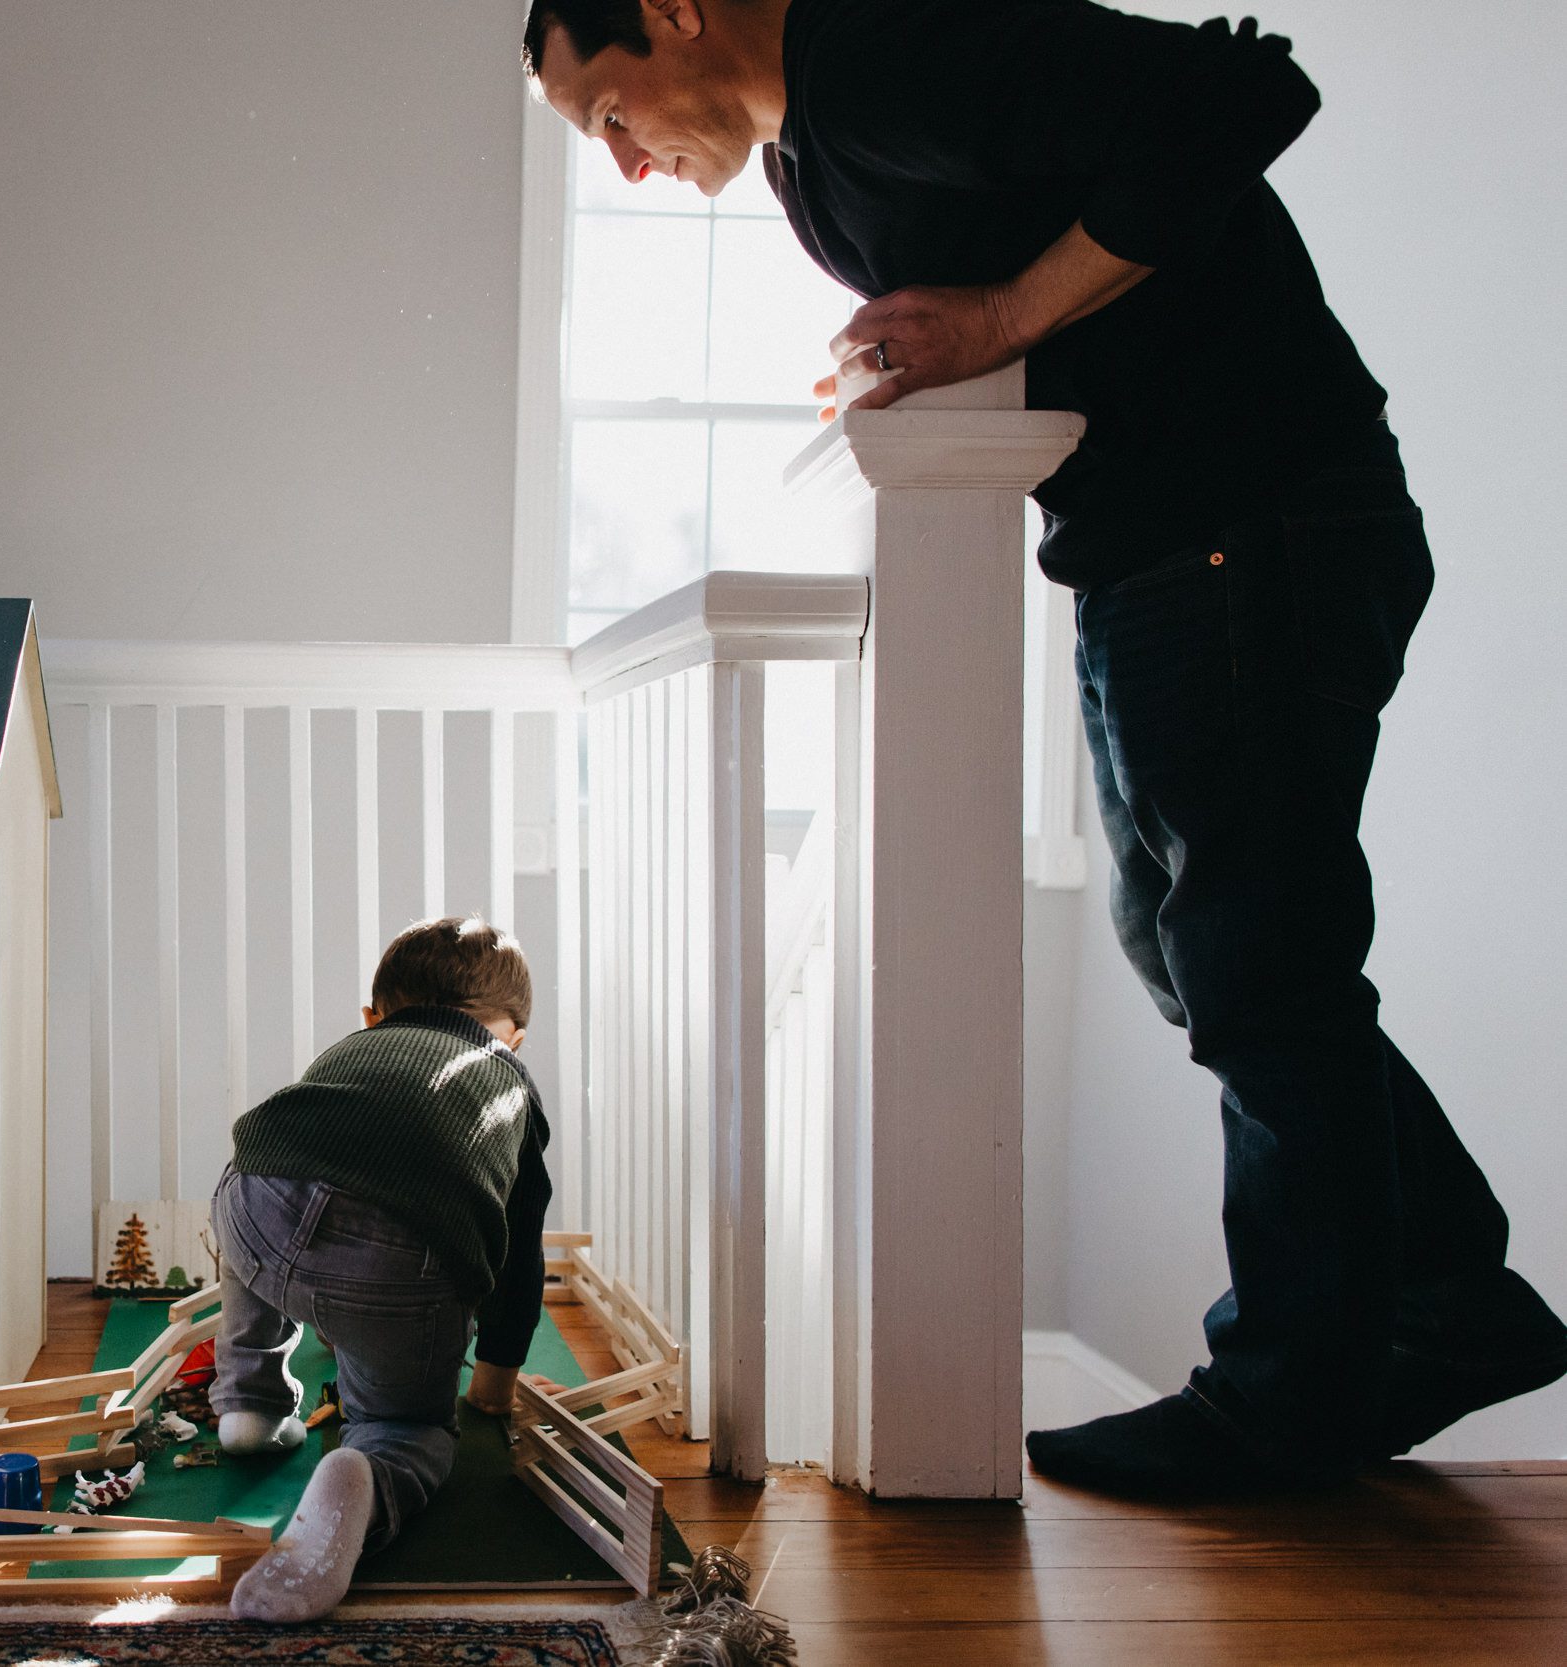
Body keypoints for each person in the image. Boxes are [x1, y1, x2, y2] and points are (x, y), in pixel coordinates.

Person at [523, 0, 1566, 1494]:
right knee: (1189, 946)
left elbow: (1242, 90)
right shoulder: (807, 154)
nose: (623, 163)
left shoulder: (882, 49)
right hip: (1156, 548)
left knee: (1257, 962)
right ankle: (1447, 1292)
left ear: (677, 13)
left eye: (609, 114)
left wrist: (1003, 319)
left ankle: (1288, 1388)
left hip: (1253, 526)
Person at [212, 915, 553, 1620]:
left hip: (255, 1208)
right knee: (409, 1426)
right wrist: (493, 1389)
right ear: (513, 1035)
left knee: (256, 1181)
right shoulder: (508, 1083)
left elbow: (324, 1179)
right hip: (396, 1262)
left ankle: (249, 1401)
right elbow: (518, 1257)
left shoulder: (352, 1052)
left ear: (373, 1016)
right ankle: (370, 1466)